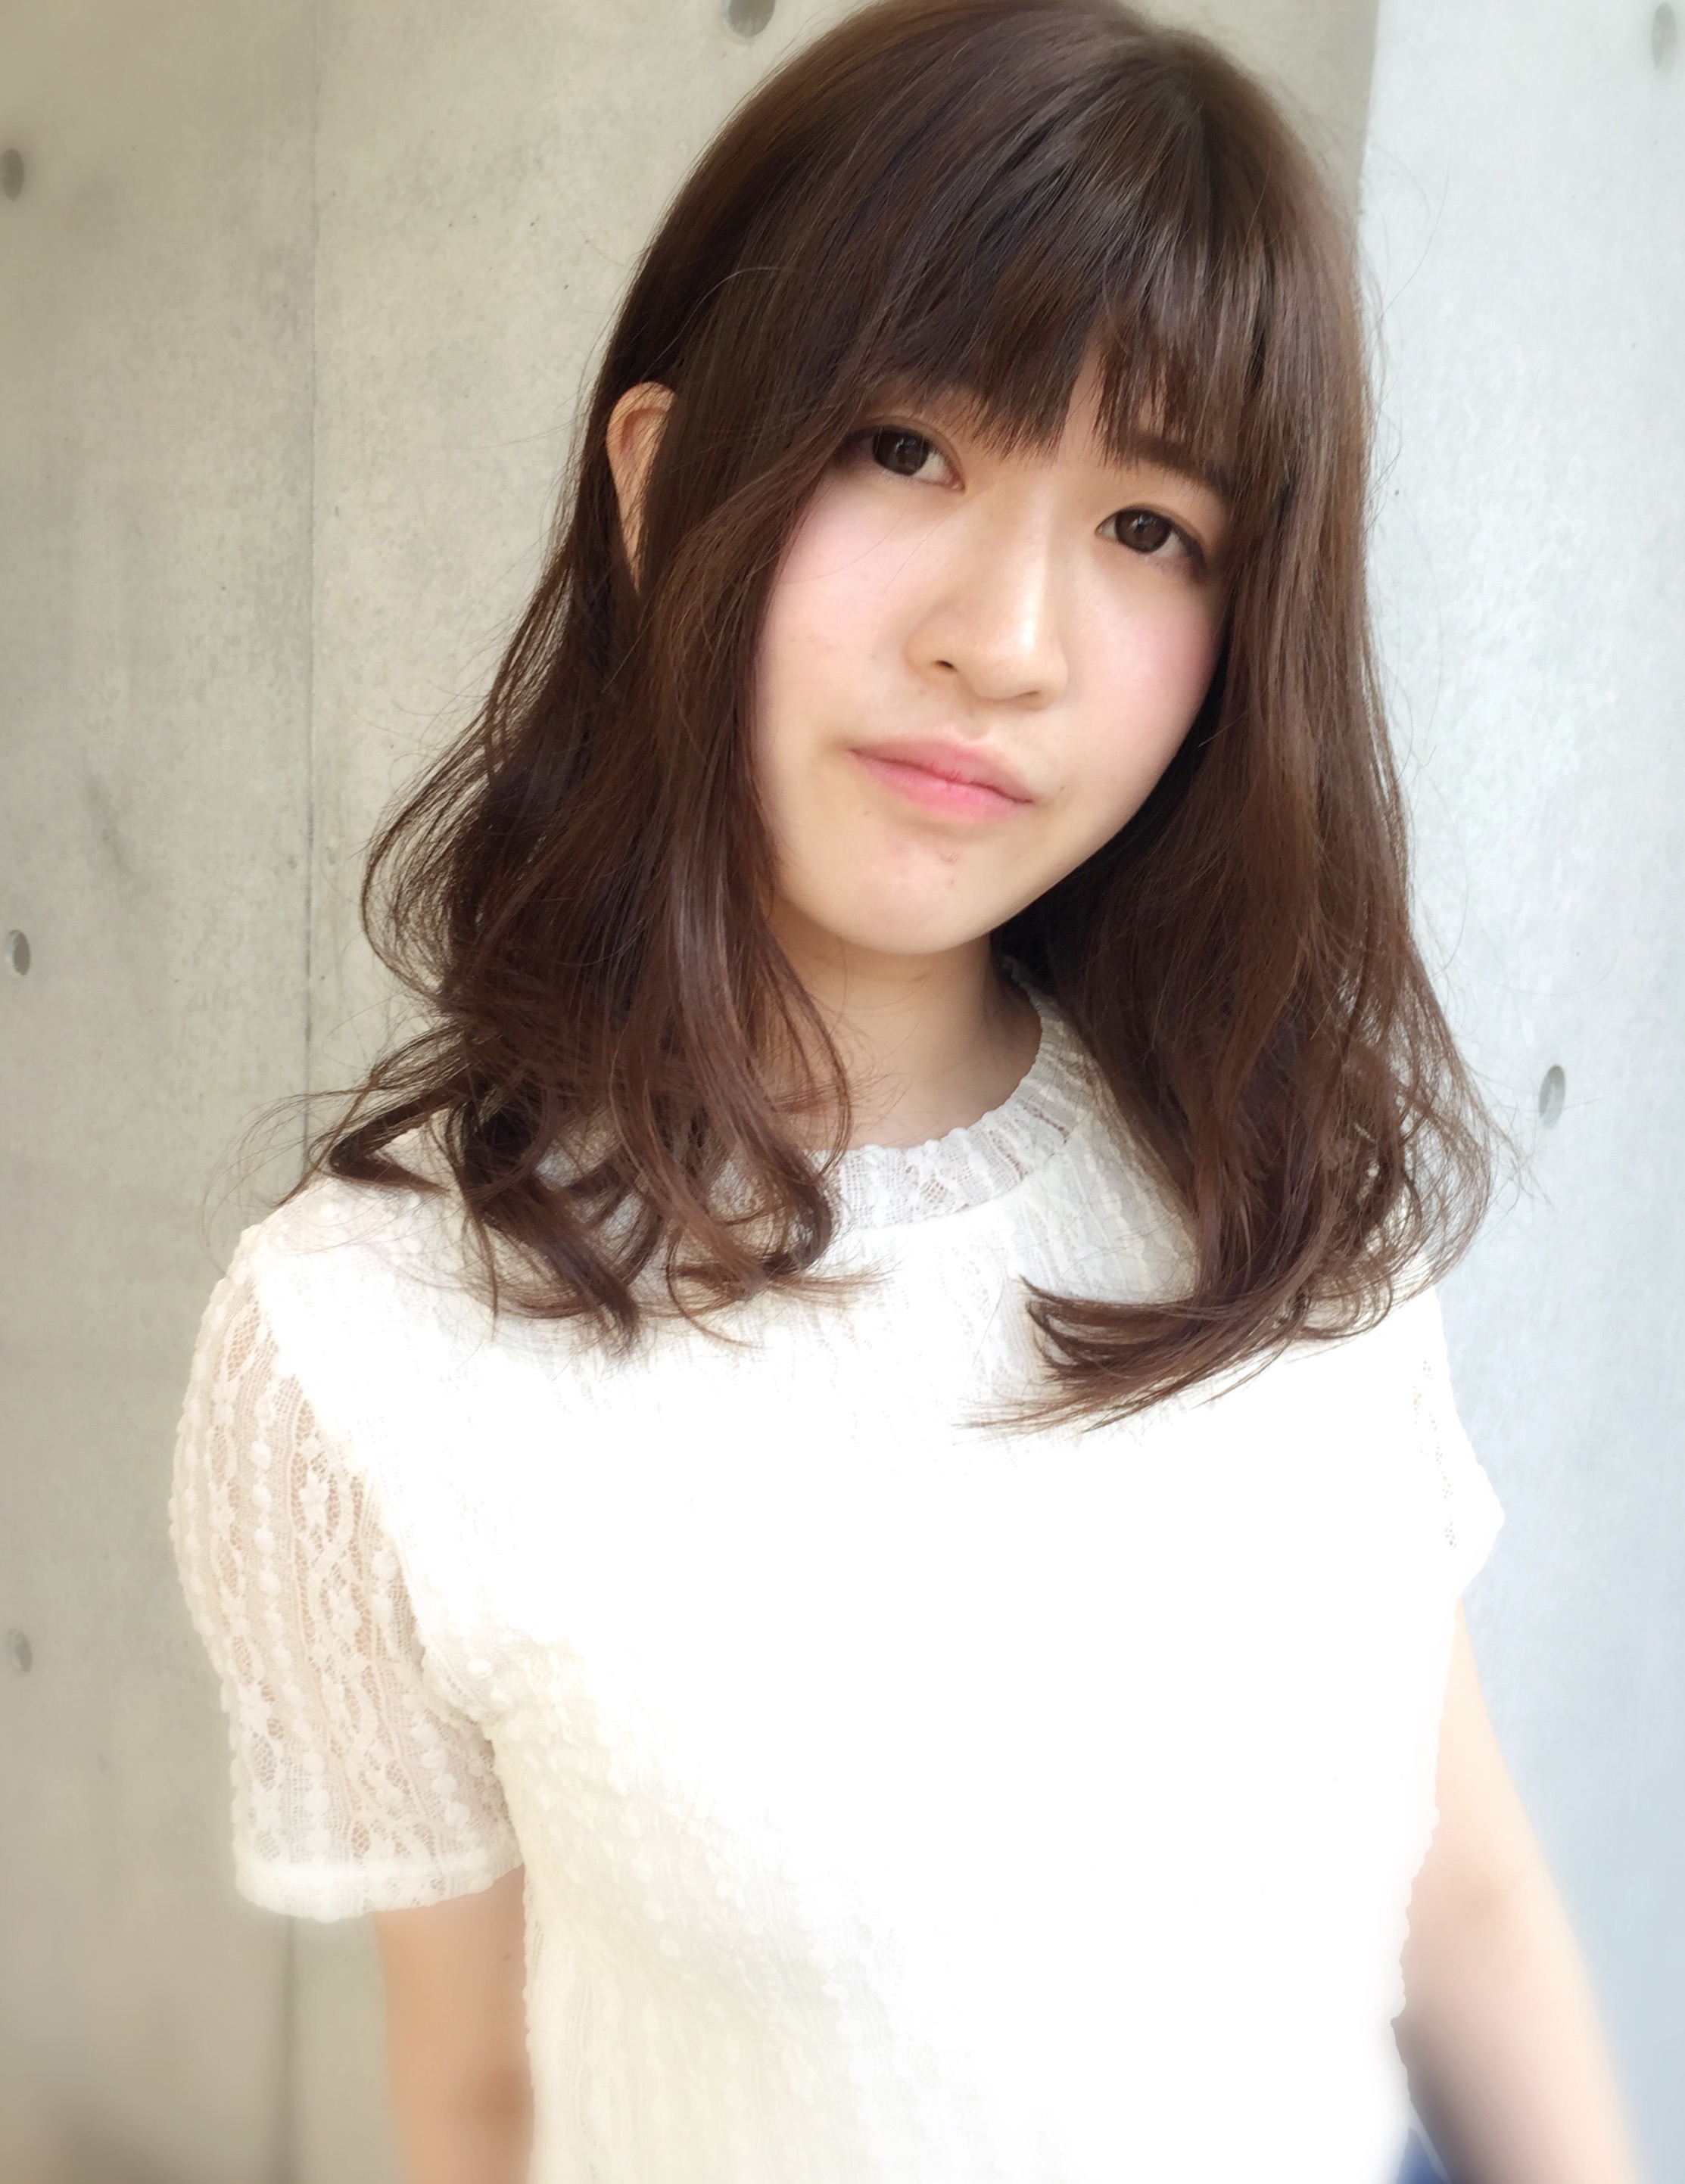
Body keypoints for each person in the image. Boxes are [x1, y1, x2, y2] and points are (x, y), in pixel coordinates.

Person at [170, 2, 1640, 2179]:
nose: (1005, 639)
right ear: (662, 478)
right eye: (904, 447)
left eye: (1150, 525)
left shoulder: (1272, 1160)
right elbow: (479, 2094)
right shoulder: (368, 1347)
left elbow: (1466, 1898)